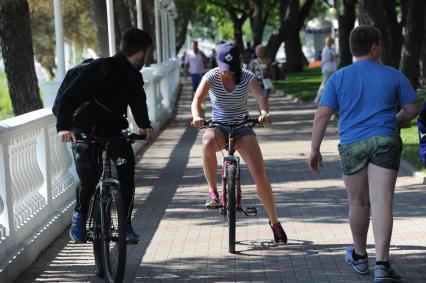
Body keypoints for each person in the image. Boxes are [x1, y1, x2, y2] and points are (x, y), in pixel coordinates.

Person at [309, 25, 418, 282]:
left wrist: (314, 149)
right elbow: (412, 108)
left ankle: (359, 256)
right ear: (375, 47)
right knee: (382, 201)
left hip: (352, 144)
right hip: (385, 140)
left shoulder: (339, 77)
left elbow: (322, 115)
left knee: (358, 202)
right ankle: (382, 265)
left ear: (351, 48)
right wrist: (395, 120)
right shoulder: (393, 75)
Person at [53, 28, 156, 244]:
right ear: (140, 54)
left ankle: (125, 224)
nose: (144, 59)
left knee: (127, 173)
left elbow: (138, 101)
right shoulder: (98, 69)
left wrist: (145, 126)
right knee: (89, 179)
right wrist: (63, 127)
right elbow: (67, 98)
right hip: (85, 131)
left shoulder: (132, 76)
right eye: (145, 54)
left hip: (113, 131)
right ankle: (80, 218)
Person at [191, 42, 287, 243]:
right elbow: (197, 100)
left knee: (260, 176)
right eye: (224, 70)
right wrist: (197, 116)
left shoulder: (247, 76)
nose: (227, 74)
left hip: (242, 126)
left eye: (231, 70)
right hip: (218, 125)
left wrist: (264, 113)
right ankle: (213, 192)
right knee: (207, 142)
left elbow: (260, 96)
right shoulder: (210, 76)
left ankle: (275, 222)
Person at [314, 36, 337, 103]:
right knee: (324, 84)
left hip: (333, 68)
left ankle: (331, 99)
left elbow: (334, 57)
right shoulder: (325, 49)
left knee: (333, 84)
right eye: (330, 42)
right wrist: (333, 57)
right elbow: (327, 59)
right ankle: (318, 98)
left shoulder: (332, 49)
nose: (331, 43)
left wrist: (334, 57)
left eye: (331, 42)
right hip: (327, 69)